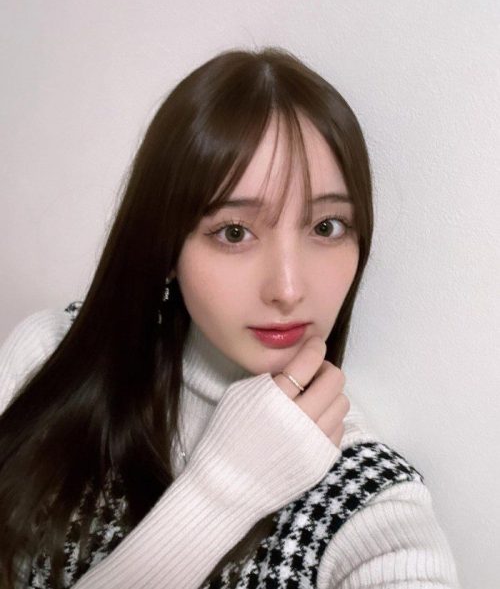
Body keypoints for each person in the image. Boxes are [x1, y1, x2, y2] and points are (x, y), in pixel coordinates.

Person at [0, 48, 460, 589]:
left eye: (327, 227)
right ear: (166, 248)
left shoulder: (370, 507)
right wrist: (219, 494)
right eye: (235, 232)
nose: (288, 289)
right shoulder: (50, 356)